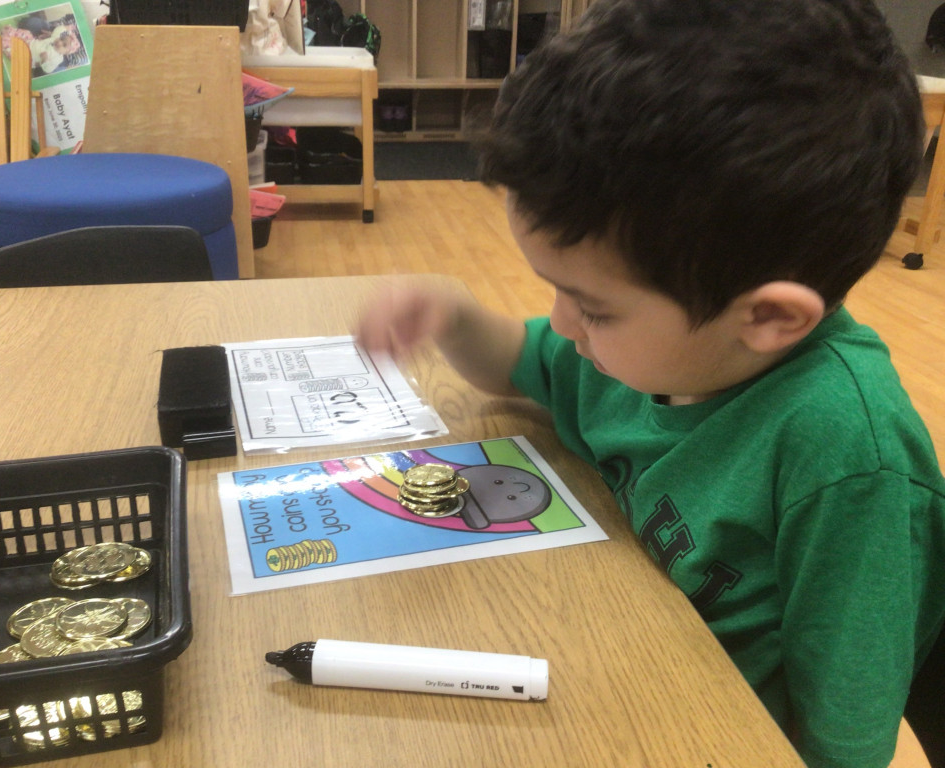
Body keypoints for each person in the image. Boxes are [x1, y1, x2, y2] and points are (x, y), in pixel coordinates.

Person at [355, 1, 945, 766]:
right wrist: (452, 315)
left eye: (593, 307)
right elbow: (515, 363)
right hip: (601, 655)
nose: (563, 324)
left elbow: (848, 738)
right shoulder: (656, 350)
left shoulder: (848, 460)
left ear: (767, 317)